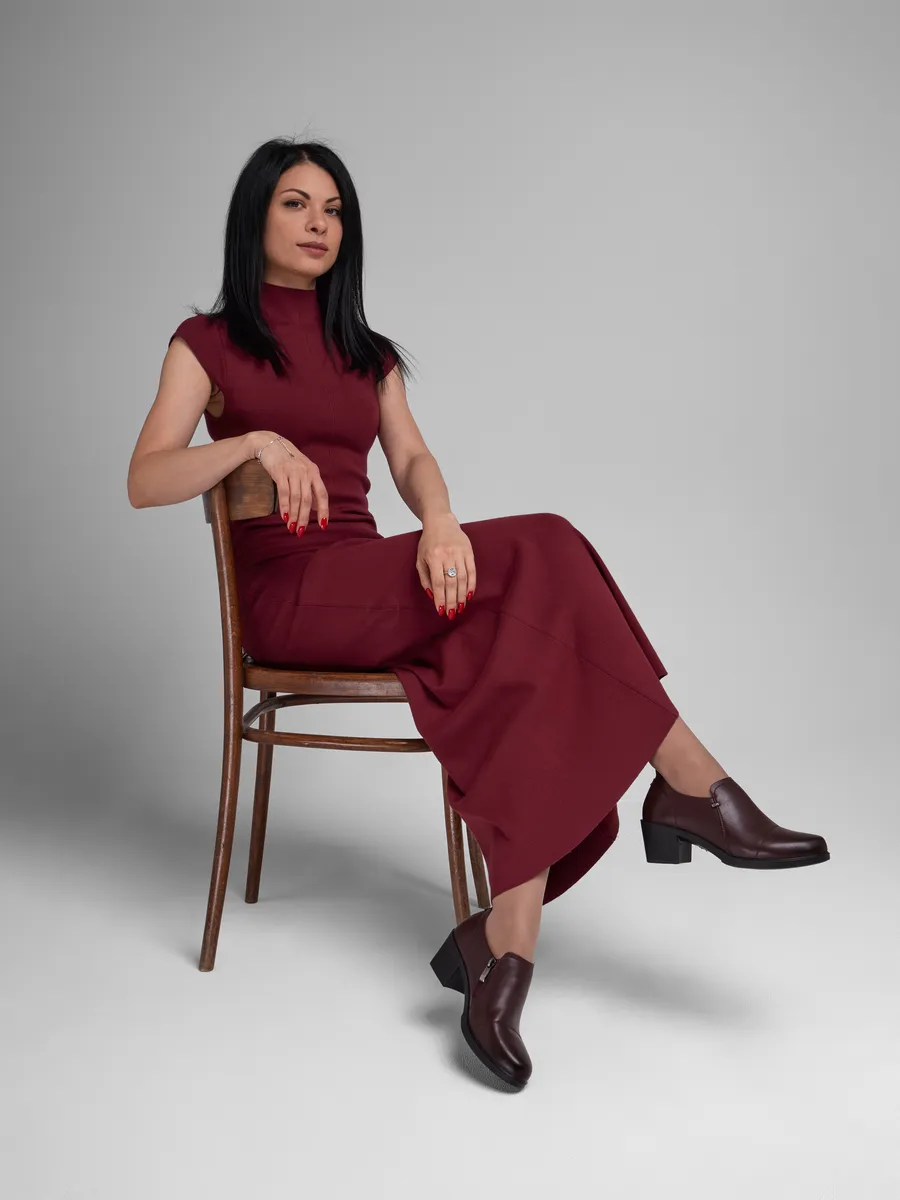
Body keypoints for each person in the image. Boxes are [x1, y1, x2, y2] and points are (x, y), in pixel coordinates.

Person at [128, 137, 830, 1091]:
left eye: (334, 210)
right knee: (547, 546)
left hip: (371, 579)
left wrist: (441, 521)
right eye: (296, 204)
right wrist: (253, 442)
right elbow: (145, 478)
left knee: (519, 657)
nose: (319, 224)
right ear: (255, 216)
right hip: (293, 599)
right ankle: (688, 782)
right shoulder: (206, 343)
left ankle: (505, 951)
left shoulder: (366, 353)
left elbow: (412, 460)